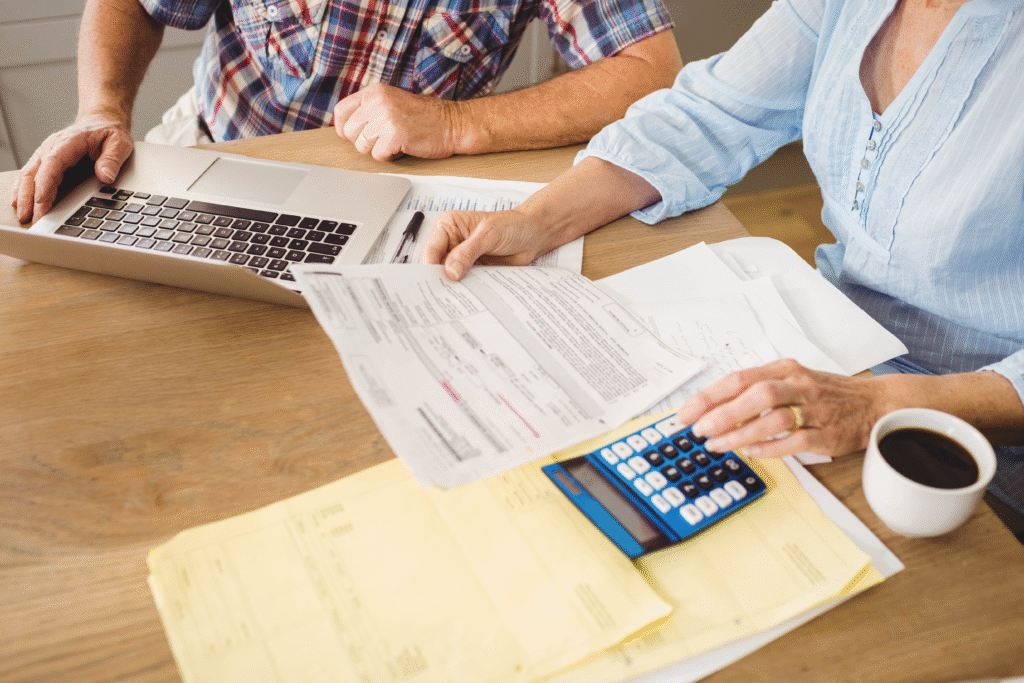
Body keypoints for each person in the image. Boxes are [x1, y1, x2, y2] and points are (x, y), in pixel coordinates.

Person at [422, 0, 1024, 513]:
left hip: (973, 440)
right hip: (829, 353)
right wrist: (536, 220)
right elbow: (714, 113)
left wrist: (873, 408)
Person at [11, 0, 682, 224]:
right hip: (216, 159)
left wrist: (453, 123)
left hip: (410, 194)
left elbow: (652, 70)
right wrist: (100, 107)